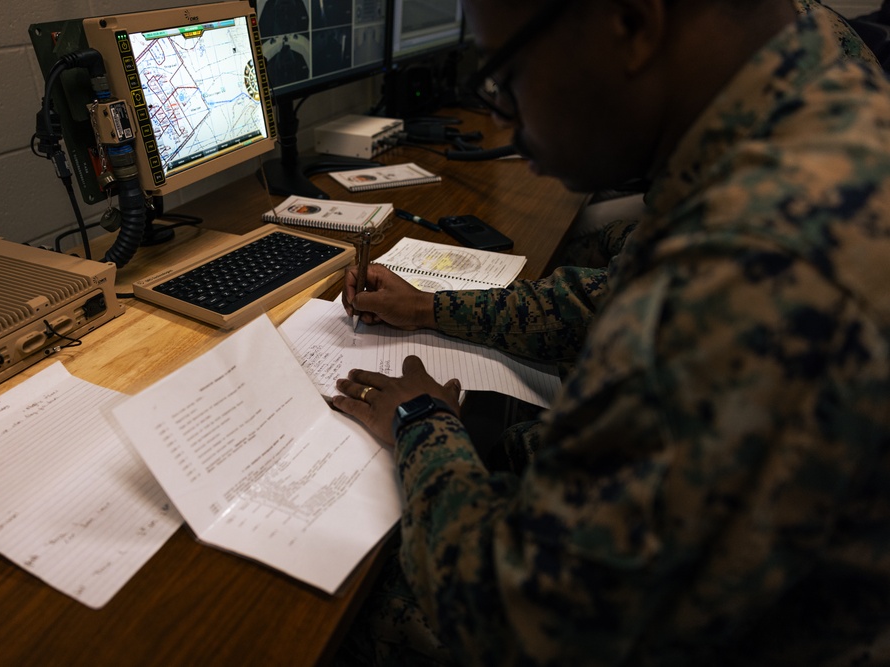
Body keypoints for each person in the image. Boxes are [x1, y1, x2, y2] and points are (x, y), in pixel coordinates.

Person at [331, 0, 890, 665]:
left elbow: (520, 619)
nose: (503, 122)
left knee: (351, 601)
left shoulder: (748, 265)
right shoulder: (819, 107)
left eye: (505, 77)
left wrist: (420, 421)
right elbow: (605, 306)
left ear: (631, 21)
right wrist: (430, 310)